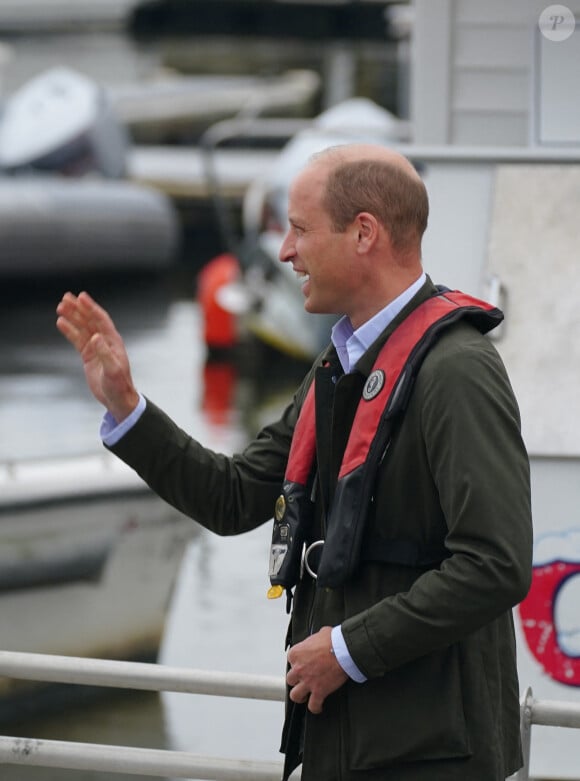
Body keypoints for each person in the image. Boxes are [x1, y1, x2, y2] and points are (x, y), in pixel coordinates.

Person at [56, 143, 533, 781]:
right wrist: (126, 405)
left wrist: (347, 649)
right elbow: (233, 498)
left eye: (300, 230)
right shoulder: (338, 367)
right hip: (348, 743)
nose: (284, 252)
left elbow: (496, 565)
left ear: (364, 232)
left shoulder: (458, 370)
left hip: (431, 756)